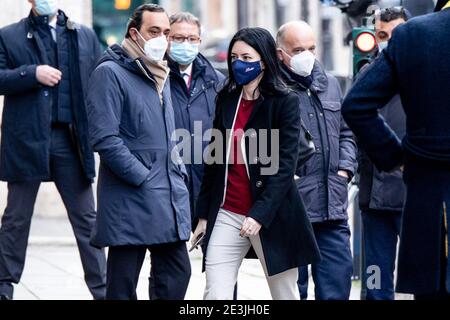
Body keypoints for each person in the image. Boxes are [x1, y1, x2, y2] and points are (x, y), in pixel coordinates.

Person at [192, 27, 321, 300]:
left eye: (247, 58)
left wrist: (259, 215)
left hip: (271, 213)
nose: (240, 63)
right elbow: (214, 161)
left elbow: (285, 166)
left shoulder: (283, 101)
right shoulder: (227, 99)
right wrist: (203, 214)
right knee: (215, 293)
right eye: (235, 57)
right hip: (228, 211)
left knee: (284, 293)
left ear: (264, 61)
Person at [342, 0, 450, 299]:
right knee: (376, 279)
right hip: (382, 199)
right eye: (381, 35)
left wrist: (397, 157)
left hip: (421, 194)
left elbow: (357, 105)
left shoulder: (417, 37)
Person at [0, 0, 106, 300]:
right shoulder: (9, 35)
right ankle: (3, 288)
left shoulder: (84, 35)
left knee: (88, 221)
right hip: (27, 140)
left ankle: (104, 291)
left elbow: (101, 81)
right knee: (16, 218)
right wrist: (31, 73)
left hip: (71, 142)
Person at [86, 4, 191, 300]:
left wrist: (177, 175)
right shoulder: (110, 72)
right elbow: (105, 138)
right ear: (135, 33)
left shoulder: (162, 72)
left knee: (176, 274)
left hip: (166, 194)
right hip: (130, 197)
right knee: (122, 286)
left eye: (166, 32)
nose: (162, 38)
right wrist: (141, 177)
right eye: (154, 31)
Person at [276, 21, 357, 300]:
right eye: (298, 49)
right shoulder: (271, 91)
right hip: (291, 213)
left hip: (332, 209)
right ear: (280, 54)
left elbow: (346, 132)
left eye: (311, 48)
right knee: (291, 294)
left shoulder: (330, 84)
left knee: (336, 289)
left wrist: (345, 169)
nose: (306, 55)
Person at [358, 7, 409, 300]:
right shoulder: (367, 72)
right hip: (375, 198)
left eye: (396, 34)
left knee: (428, 277)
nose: (388, 40)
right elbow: (350, 126)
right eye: (382, 34)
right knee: (376, 279)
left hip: (413, 194)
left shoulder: (424, 71)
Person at [167, 12, 225, 225]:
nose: (186, 44)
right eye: (179, 38)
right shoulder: (155, 80)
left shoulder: (217, 82)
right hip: (169, 186)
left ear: (200, 41)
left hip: (206, 188)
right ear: (167, 39)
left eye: (192, 39)